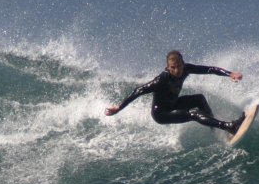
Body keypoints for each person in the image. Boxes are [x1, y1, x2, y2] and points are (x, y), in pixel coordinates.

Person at [104, 50, 245, 135]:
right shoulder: (161, 79)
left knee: (199, 99)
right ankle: (228, 127)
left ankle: (215, 129)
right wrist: (119, 107)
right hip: (161, 114)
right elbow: (138, 91)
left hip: (174, 104)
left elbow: (209, 69)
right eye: (173, 68)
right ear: (168, 67)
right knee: (193, 113)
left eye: (179, 66)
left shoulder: (187, 69)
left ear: (183, 63)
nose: (177, 70)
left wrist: (230, 73)